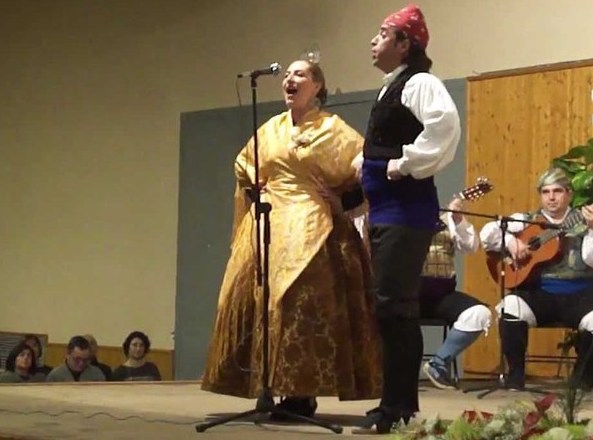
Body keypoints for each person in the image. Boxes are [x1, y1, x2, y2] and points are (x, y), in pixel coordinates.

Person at [201, 58, 381, 418]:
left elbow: (366, 172)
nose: (289, 79)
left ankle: (300, 394)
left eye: (300, 74)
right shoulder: (270, 128)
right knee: (251, 297)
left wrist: (341, 201)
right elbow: (244, 168)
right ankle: (261, 385)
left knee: (301, 305)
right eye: (287, 75)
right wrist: (256, 192)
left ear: (317, 87)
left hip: (315, 226)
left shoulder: (334, 129)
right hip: (269, 225)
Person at [357, 4, 461, 434]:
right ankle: (396, 403)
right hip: (384, 212)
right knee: (390, 309)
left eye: (383, 33)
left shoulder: (420, 83)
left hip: (406, 212)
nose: (373, 40)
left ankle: (397, 407)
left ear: (405, 44)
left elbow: (444, 128)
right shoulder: (391, 88)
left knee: (395, 308)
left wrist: (403, 163)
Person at [479, 168, 593, 391]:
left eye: (557, 191)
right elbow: (488, 233)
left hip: (581, 295)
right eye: (546, 192)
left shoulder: (587, 223)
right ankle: (515, 377)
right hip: (538, 293)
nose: (551, 197)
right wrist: (512, 243)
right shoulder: (525, 220)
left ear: (569, 194)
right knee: (510, 307)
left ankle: (580, 381)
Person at [419, 196, 492, 389]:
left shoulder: (447, 222)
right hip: (406, 296)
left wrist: (458, 218)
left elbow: (471, 246)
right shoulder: (395, 221)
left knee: (479, 313)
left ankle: (439, 363)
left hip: (442, 296)